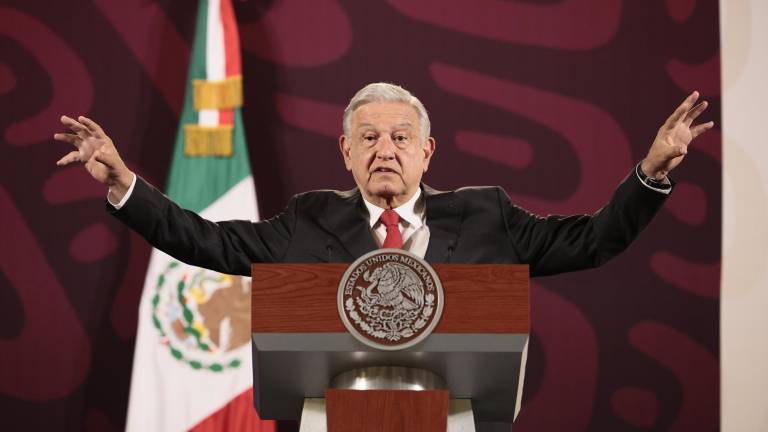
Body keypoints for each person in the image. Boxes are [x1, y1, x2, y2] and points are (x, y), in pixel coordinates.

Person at [54, 83, 713, 276]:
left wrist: (650, 173)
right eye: (368, 137)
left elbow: (593, 240)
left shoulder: (488, 215)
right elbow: (210, 243)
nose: (385, 149)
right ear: (345, 152)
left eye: (401, 138)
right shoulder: (309, 220)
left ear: (429, 153)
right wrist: (124, 184)